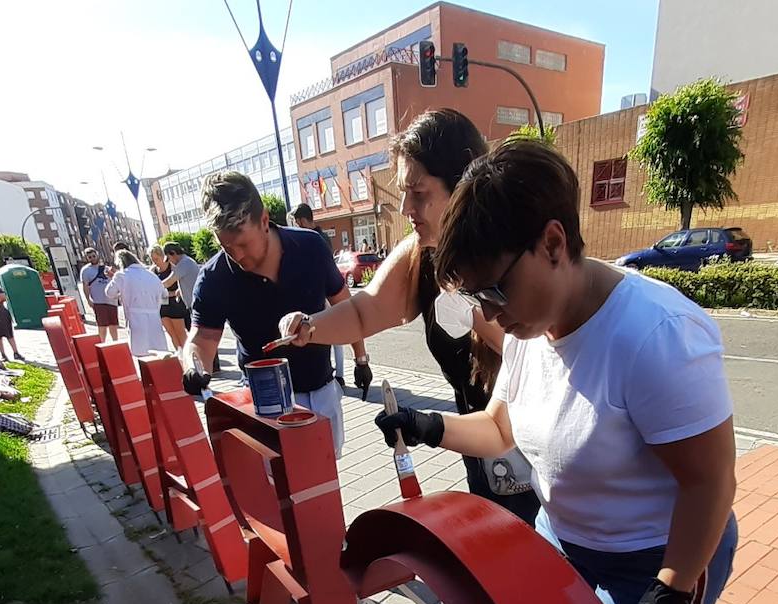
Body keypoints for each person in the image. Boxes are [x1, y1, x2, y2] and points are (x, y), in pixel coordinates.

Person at [376, 140, 738, 604]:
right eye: (475, 298)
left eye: (495, 291)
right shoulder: (530, 331)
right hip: (564, 542)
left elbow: (710, 483)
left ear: (552, 242)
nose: (488, 313)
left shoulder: (655, 336)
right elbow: (507, 427)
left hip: (657, 562)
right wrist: (429, 427)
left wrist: (668, 598)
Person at [278, 108, 539, 525]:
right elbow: (367, 311)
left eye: (418, 193)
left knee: (544, 563)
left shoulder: (511, 255)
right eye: (403, 192)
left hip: (537, 445)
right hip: (480, 438)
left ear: (464, 185)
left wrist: (474, 313)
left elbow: (539, 357)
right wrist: (309, 327)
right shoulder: (422, 253)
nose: (405, 207)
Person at [181, 172, 372, 456]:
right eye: (226, 247)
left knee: (323, 483)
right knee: (277, 489)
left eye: (243, 244)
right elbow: (202, 339)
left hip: (320, 391)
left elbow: (345, 305)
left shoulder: (310, 247)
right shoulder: (214, 277)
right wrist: (193, 366)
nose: (237, 256)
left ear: (264, 220)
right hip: (262, 403)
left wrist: (360, 358)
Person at [287, 203, 355, 389]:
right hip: (326, 289)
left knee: (331, 332)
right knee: (333, 332)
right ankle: (338, 372)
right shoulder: (321, 235)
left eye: (295, 221)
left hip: (324, 291)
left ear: (301, 221)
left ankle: (338, 373)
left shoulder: (314, 239)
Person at [105, 249, 169, 356]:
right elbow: (164, 294)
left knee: (142, 353)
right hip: (154, 317)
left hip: (136, 317)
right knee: (159, 353)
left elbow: (109, 293)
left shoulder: (121, 275)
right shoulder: (151, 275)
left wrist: (118, 286)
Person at [149, 245, 188, 349]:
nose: (155, 262)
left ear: (162, 256)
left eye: (156, 259)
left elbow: (179, 285)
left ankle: (189, 358)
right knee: (172, 335)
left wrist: (171, 293)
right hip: (162, 305)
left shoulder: (172, 267)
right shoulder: (153, 270)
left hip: (175, 304)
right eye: (152, 259)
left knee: (181, 334)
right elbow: (152, 289)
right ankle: (180, 358)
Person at [79, 248, 120, 341]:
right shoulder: (85, 271)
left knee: (113, 325)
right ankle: (102, 343)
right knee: (102, 325)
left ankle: (116, 343)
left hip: (111, 301)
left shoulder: (106, 268)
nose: (92, 258)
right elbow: (85, 286)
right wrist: (88, 300)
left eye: (94, 256)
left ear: (97, 255)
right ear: (87, 258)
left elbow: (116, 281)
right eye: (90, 257)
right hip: (98, 302)